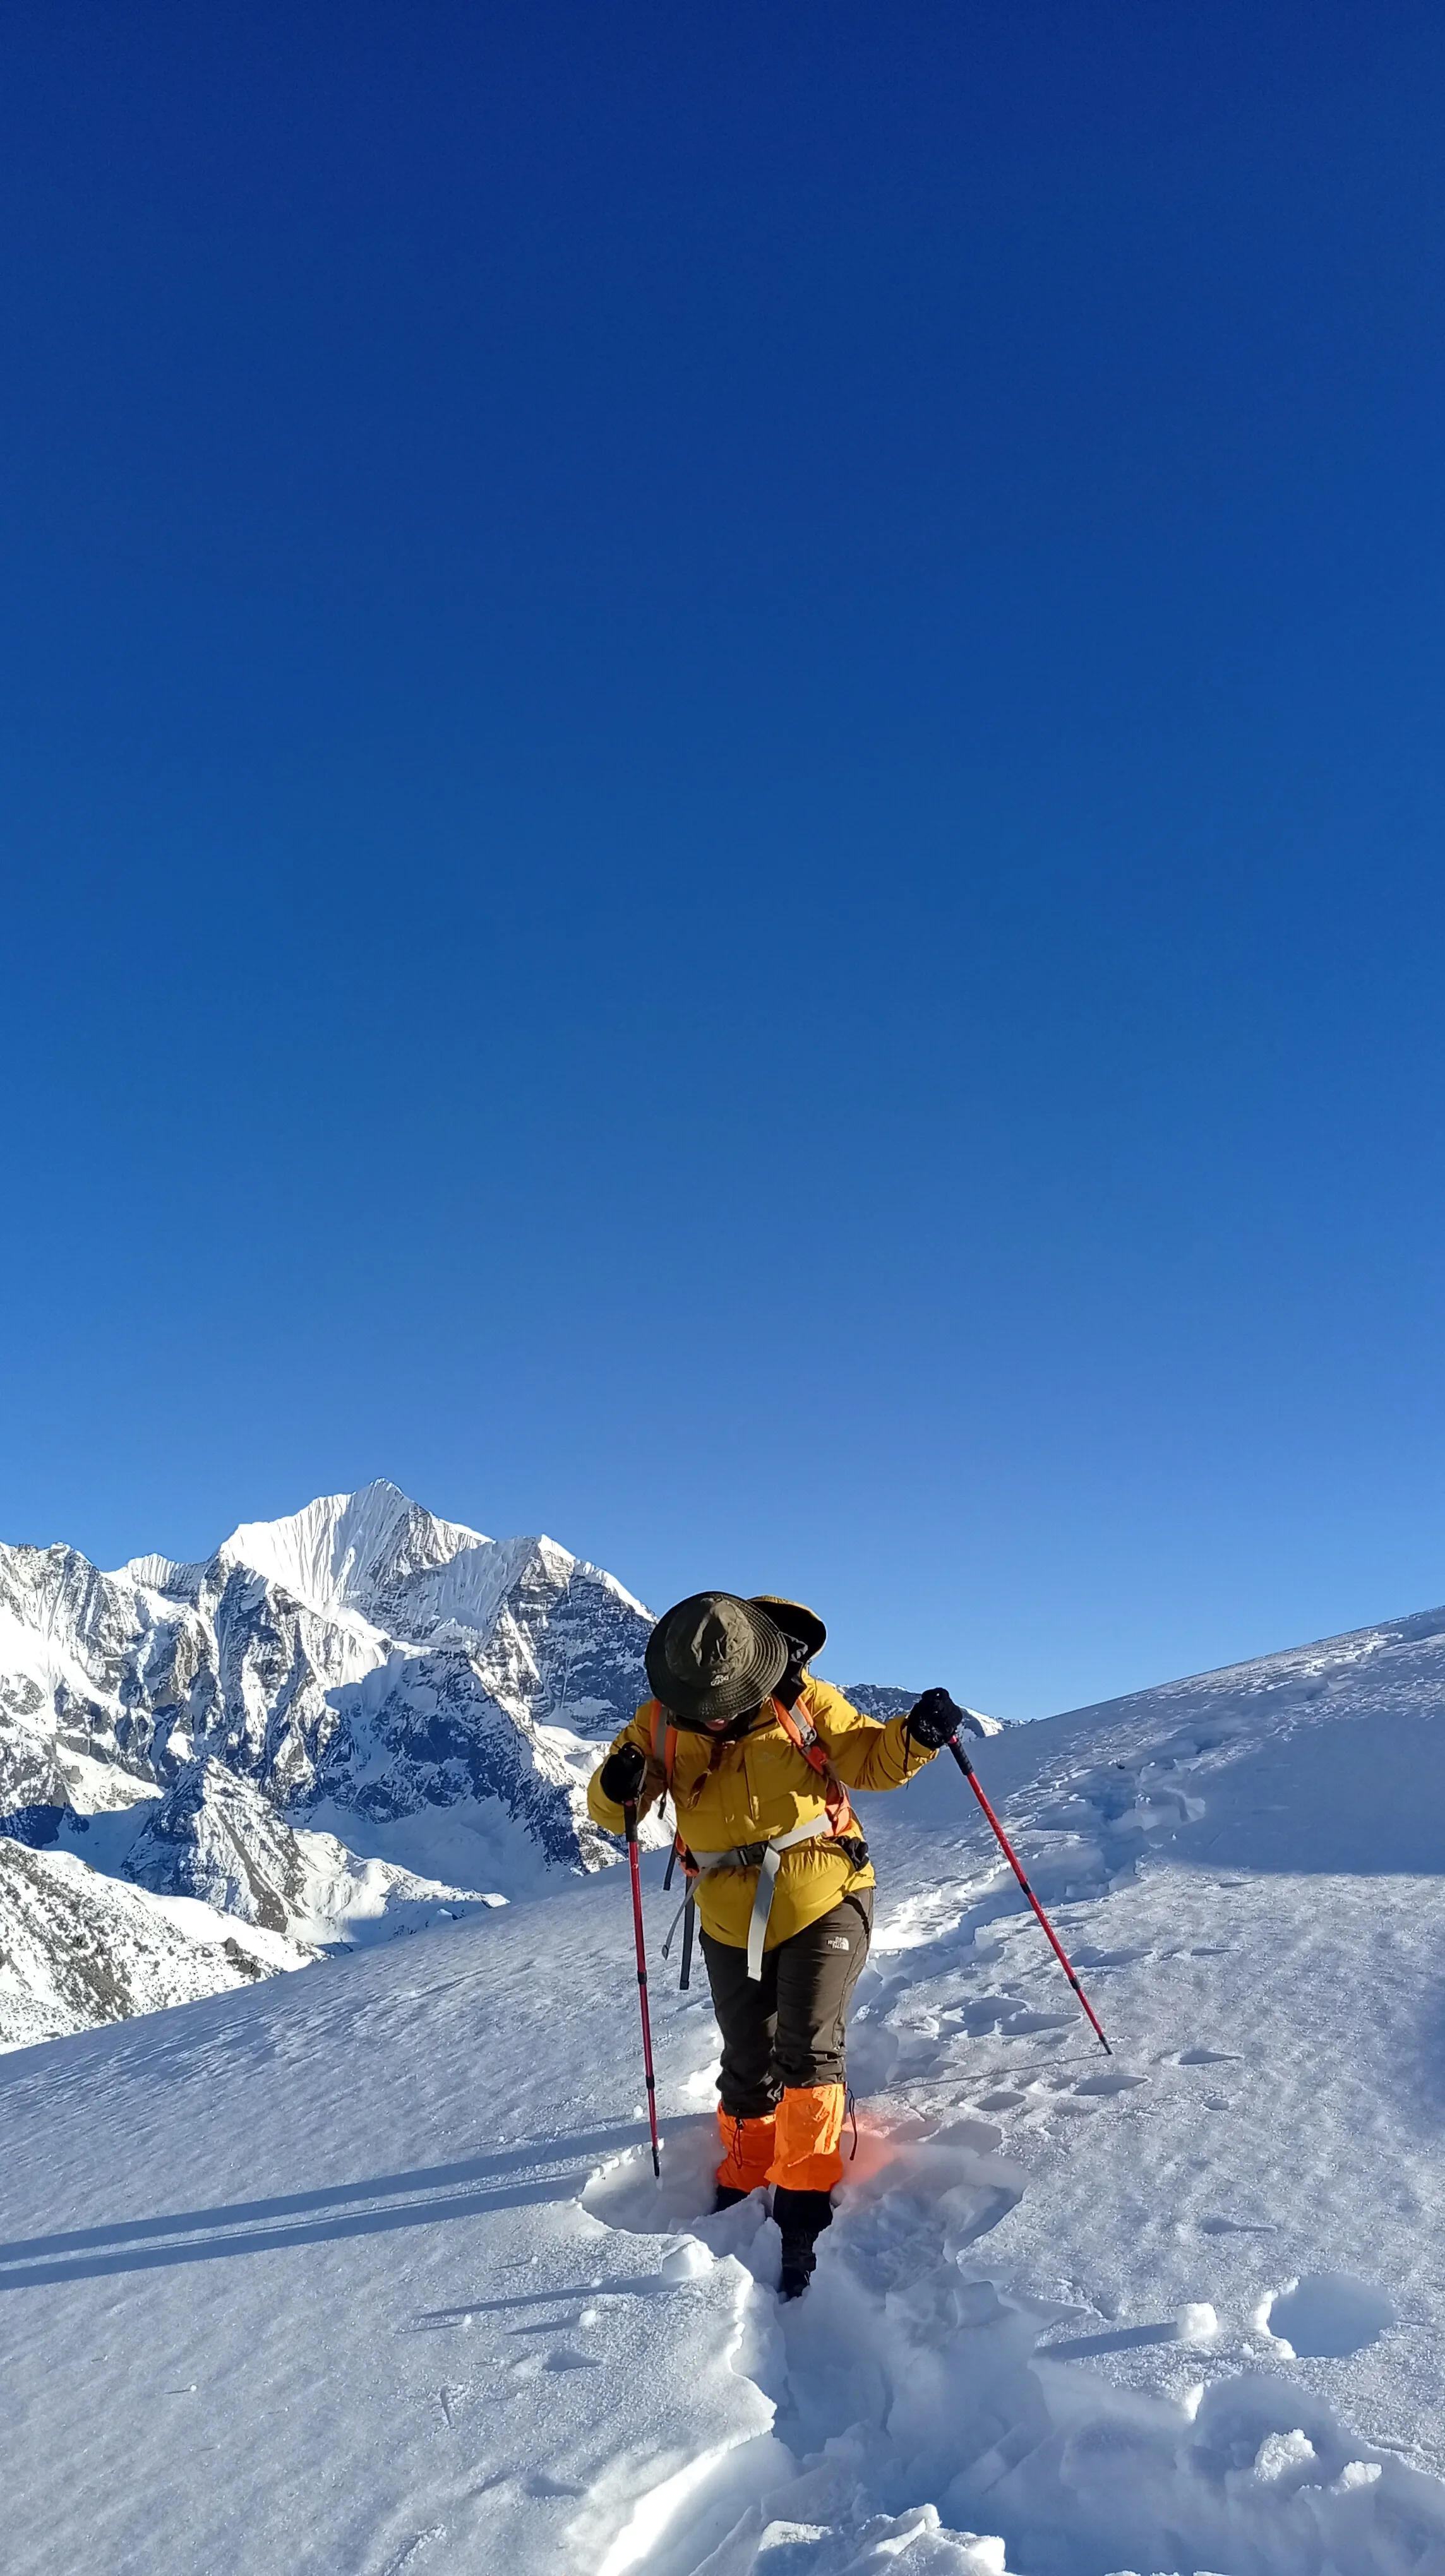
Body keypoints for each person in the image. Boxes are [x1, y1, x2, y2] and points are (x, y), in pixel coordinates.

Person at [587, 1591, 965, 2297]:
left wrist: (915, 1736)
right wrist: (617, 1787)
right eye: (705, 1702)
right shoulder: (657, 1723)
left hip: (826, 1897)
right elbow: (616, 1809)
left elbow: (870, 1760)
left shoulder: (803, 1703)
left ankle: (804, 2199)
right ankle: (744, 2171)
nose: (716, 1713)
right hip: (726, 1914)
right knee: (746, 2057)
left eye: (728, 1699)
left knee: (807, 2051)